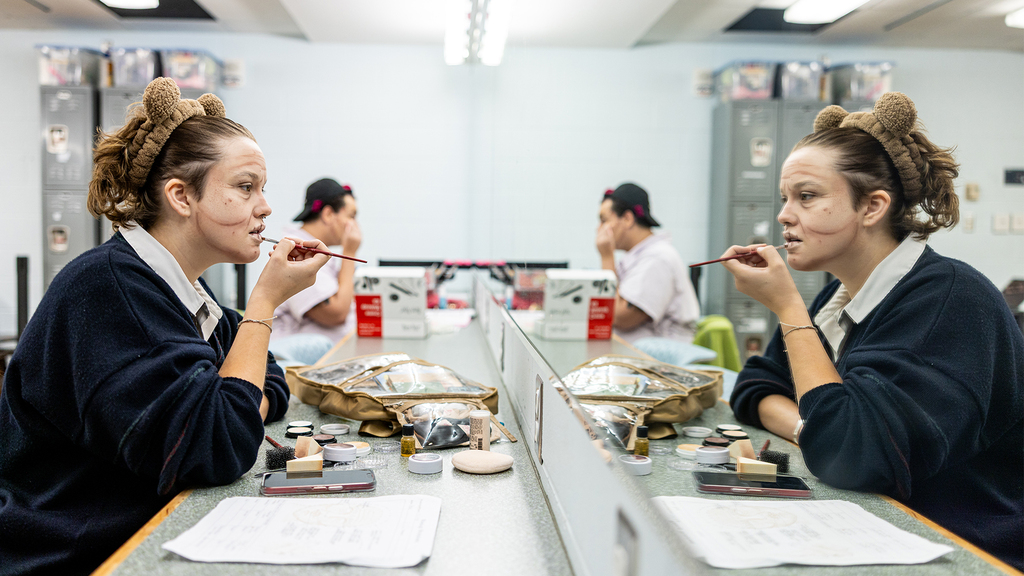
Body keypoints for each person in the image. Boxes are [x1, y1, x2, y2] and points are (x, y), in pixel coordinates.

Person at [0, 78, 329, 575]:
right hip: (80, 556)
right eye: (245, 188)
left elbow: (269, 381)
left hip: (141, 529)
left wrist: (232, 400)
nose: (264, 207)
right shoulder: (107, 289)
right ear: (181, 196)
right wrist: (264, 302)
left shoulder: (182, 287)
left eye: (263, 189)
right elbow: (217, 445)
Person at [722, 93, 1023, 569]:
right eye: (785, 198)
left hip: (961, 549)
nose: (784, 215)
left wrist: (787, 308)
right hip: (874, 530)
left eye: (807, 196)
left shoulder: (950, 300)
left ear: (872, 207)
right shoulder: (837, 297)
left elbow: (851, 455)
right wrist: (811, 429)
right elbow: (757, 387)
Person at [270, 178, 362, 362]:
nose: (355, 225)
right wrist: (349, 252)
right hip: (300, 369)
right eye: (351, 216)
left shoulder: (320, 254)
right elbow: (335, 314)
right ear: (328, 214)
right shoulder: (297, 252)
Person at [596, 183, 701, 343]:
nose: (599, 229)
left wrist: (606, 258)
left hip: (656, 363)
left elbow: (619, 317)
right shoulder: (641, 256)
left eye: (604, 220)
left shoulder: (658, 258)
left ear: (627, 219)